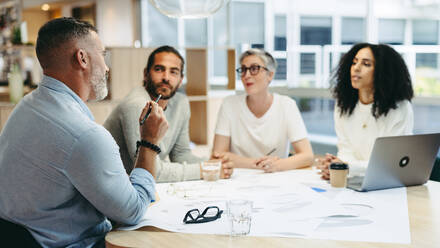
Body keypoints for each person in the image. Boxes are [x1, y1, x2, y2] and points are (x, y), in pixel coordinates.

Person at [0, 17, 168, 247]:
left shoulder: (27, 106)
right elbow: (132, 211)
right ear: (82, 58)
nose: (107, 67)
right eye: (103, 54)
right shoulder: (84, 135)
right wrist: (149, 141)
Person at [104, 45, 233, 182]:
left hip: (136, 185)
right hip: (112, 185)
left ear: (181, 79)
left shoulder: (181, 103)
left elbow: (181, 155)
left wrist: (214, 163)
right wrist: (204, 169)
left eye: (174, 72)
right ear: (146, 74)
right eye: (159, 69)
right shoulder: (137, 105)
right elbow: (151, 172)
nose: (166, 77)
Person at [317, 43, 414, 179]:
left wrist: (346, 167)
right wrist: (337, 166)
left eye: (366, 64)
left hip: (388, 184)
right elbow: (345, 150)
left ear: (382, 72)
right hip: (353, 181)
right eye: (354, 62)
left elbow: (388, 164)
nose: (356, 68)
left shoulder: (400, 108)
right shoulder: (343, 103)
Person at [212, 49, 314, 172]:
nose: (247, 75)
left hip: (274, 177)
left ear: (270, 75)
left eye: (254, 69)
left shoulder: (287, 105)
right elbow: (217, 154)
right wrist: (257, 164)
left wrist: (277, 165)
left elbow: (307, 156)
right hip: (237, 177)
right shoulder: (229, 104)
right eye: (243, 70)